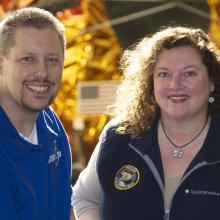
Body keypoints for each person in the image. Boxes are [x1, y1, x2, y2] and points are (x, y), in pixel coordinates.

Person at [72, 26, 220, 220]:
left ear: (211, 81)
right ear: (150, 83)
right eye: (164, 74)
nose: (175, 84)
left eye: (189, 73)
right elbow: (84, 198)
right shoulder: (119, 137)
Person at [0, 7, 73, 220]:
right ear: (1, 63)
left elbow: (65, 207)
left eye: (52, 60)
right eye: (28, 59)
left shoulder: (50, 123)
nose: (41, 72)